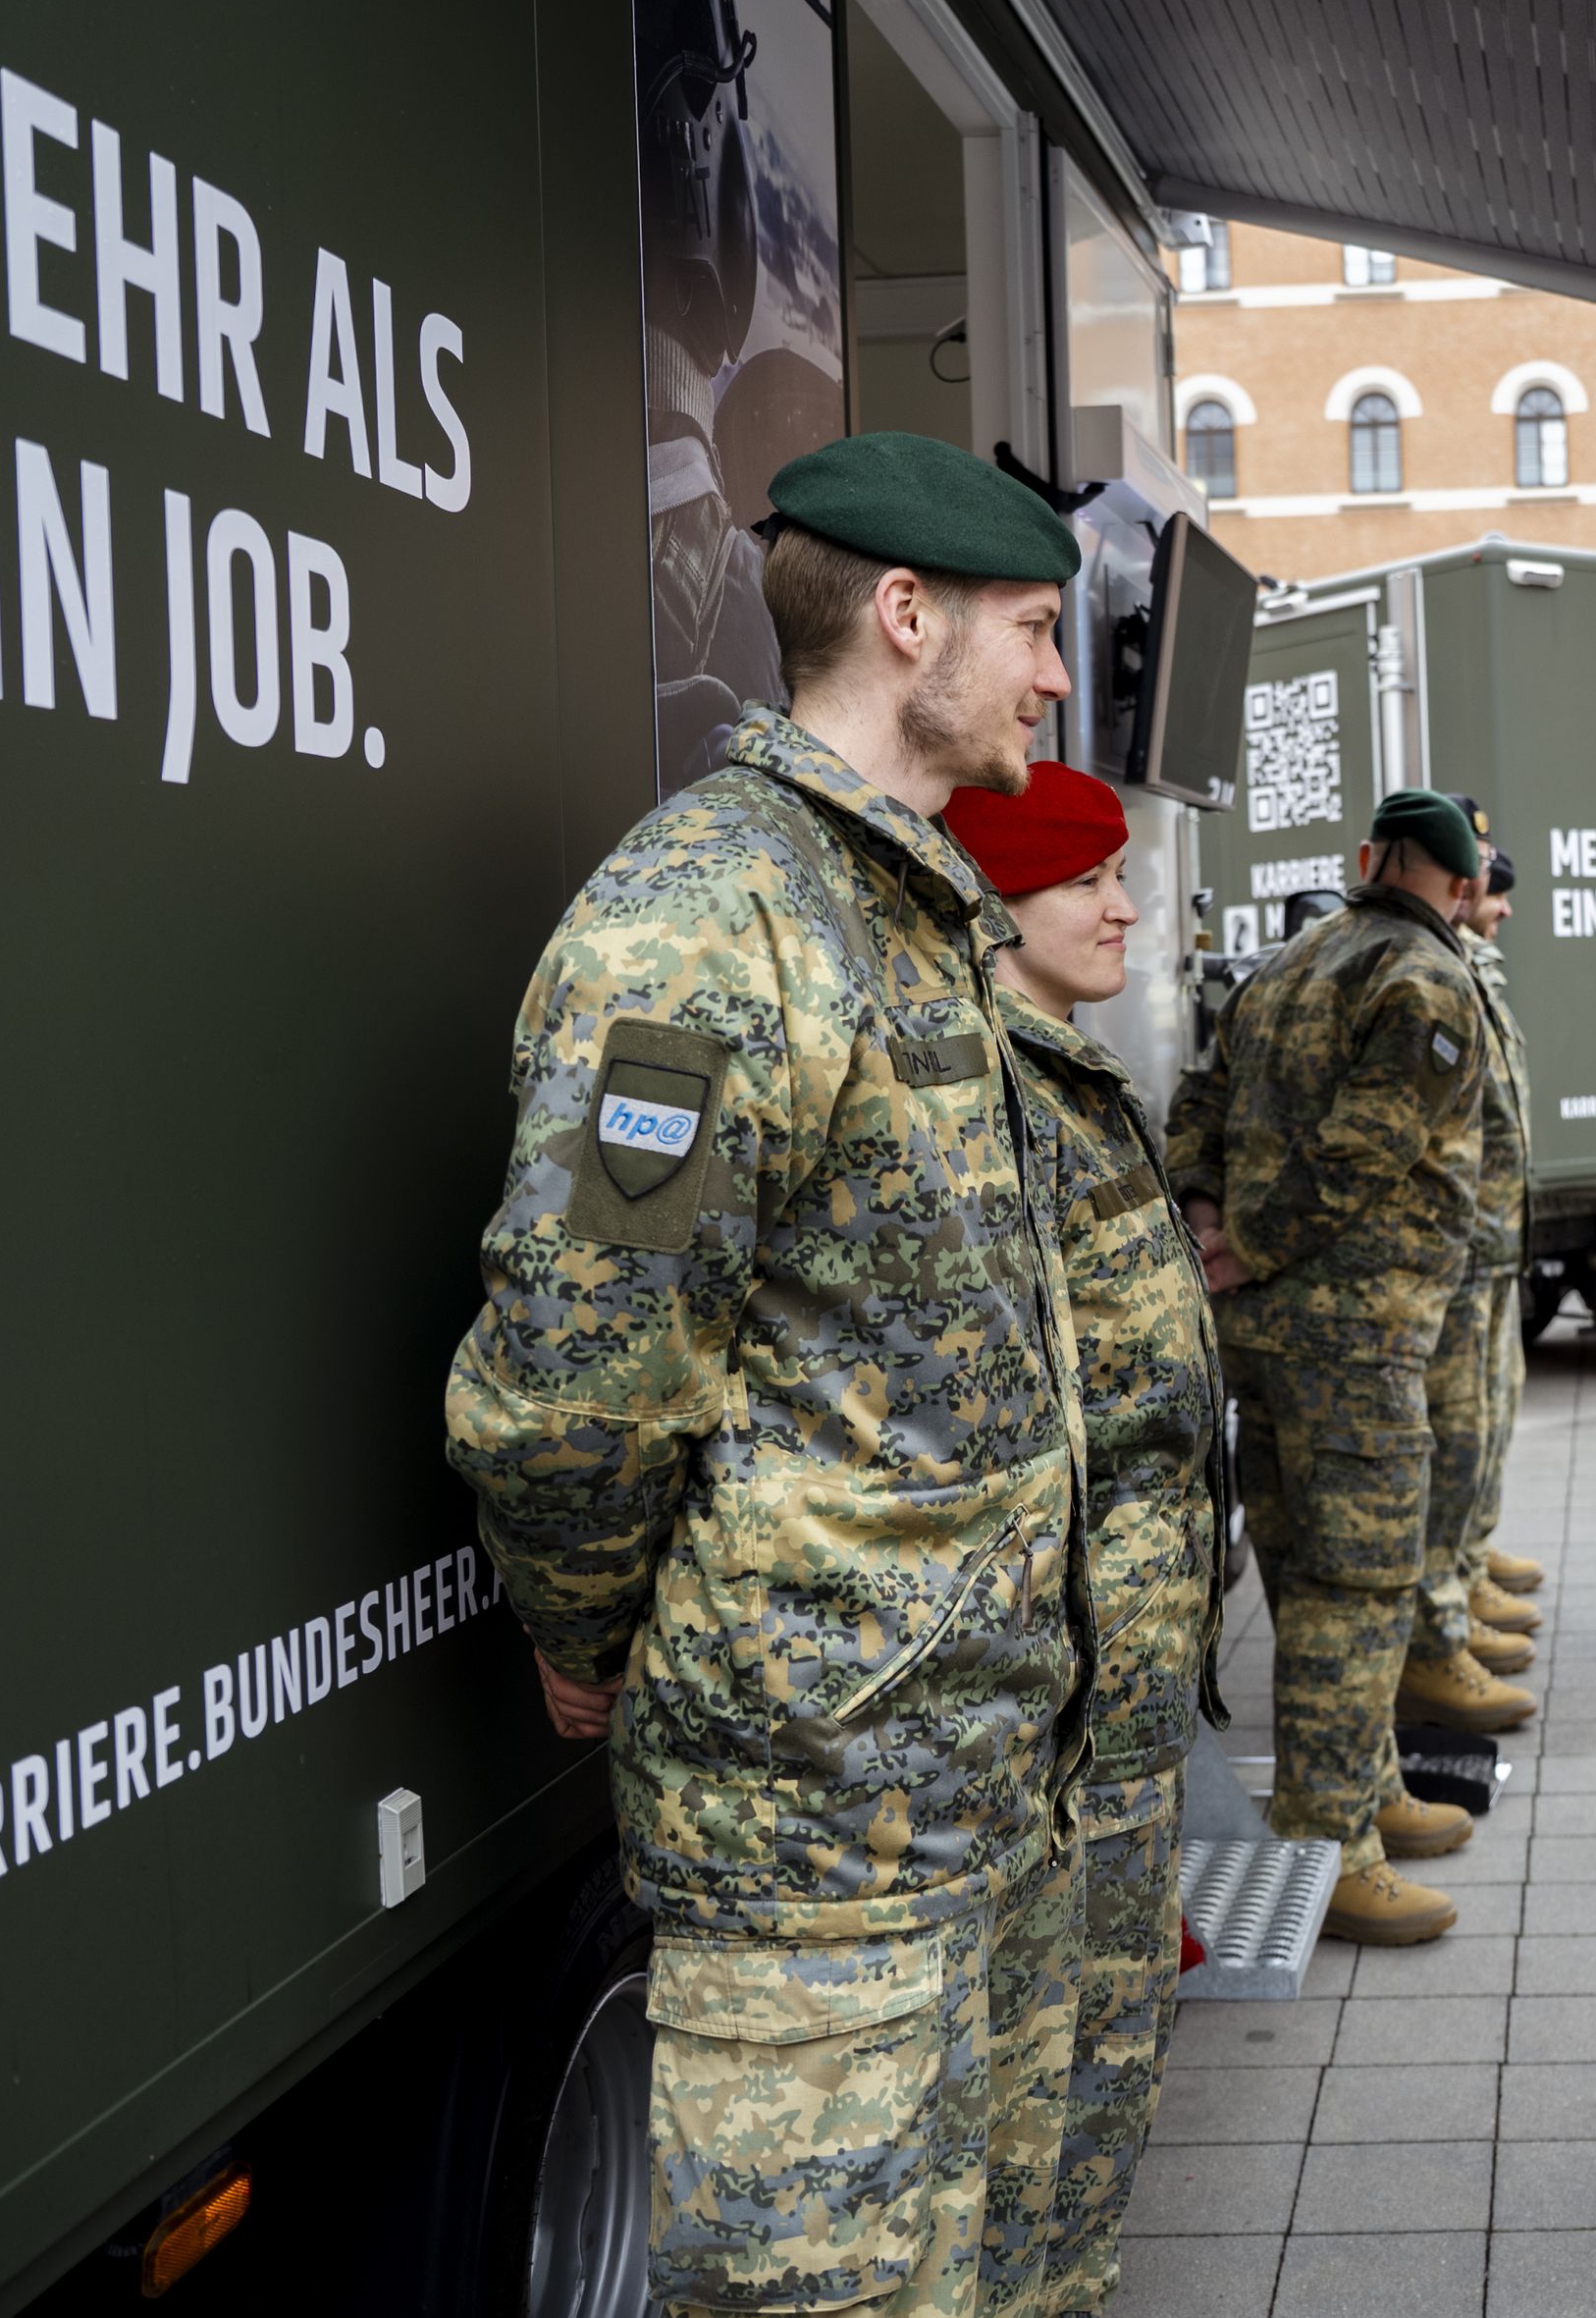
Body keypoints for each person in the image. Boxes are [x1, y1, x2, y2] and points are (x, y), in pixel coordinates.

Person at [443, 429, 1091, 2318]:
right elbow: (578, 1376)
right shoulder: (707, 927)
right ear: (906, 617)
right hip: (814, 1854)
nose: (1058, 676)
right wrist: (585, 1627)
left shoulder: (899, 907)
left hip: (962, 1806)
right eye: (1034, 629)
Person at [941, 760, 1225, 2318]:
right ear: (997, 903)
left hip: (1121, 1693)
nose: (1126, 905)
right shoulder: (986, 1094)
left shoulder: (1068, 1076)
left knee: (1105, 2077)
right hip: (1056, 1708)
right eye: (1088, 880)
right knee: (1034, 2101)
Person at [1165, 787, 1513, 1948]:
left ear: (1372, 858)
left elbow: (1197, 1100)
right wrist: (1250, 1240)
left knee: (1301, 1567)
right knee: (1354, 1594)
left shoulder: (1290, 958)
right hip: (1353, 1340)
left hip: (1262, 1334)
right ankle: (1331, 1846)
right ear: (1460, 884)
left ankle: (1367, 1786)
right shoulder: (1424, 976)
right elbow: (1365, 1149)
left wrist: (1208, 1221)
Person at [1422, 817, 1542, 1682]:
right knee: (1457, 1437)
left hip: (1492, 1245)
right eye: (1488, 887)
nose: (1498, 906)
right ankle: (1444, 1610)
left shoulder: (1468, 963)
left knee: (1488, 1422)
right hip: (1460, 1254)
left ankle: (1465, 1570)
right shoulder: (1432, 970)